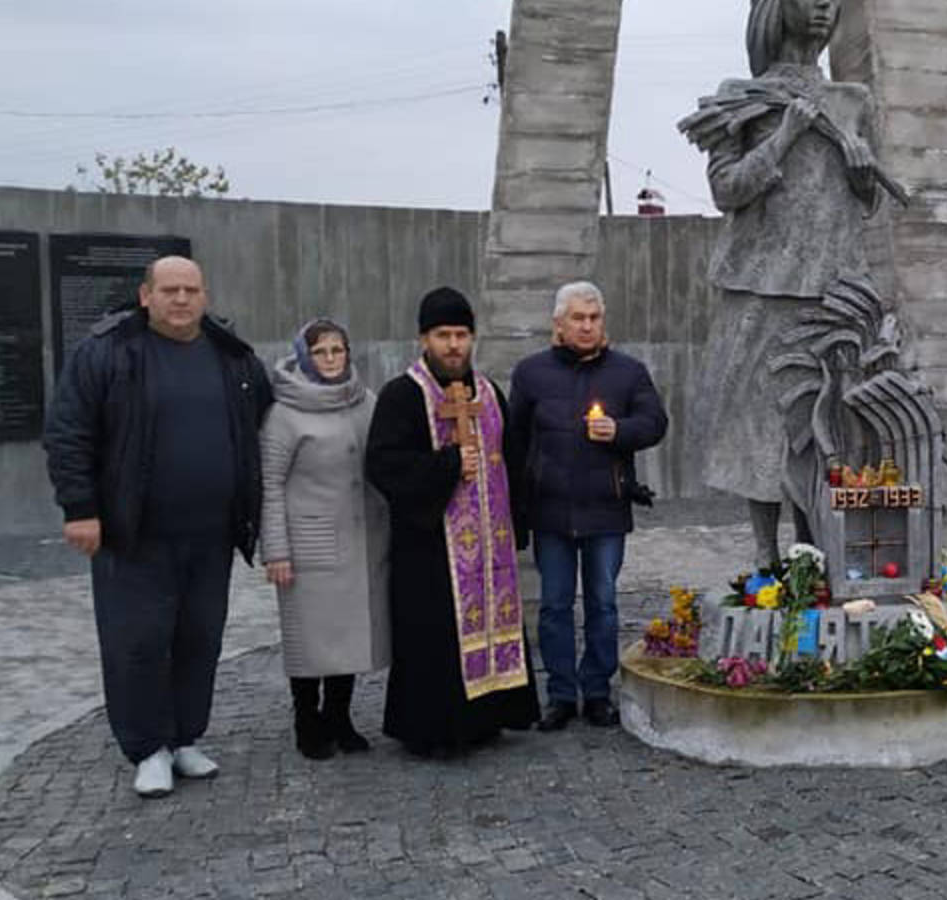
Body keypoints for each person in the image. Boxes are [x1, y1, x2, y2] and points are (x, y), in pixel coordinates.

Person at [42, 256, 272, 798]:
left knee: (200, 639)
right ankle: (147, 748)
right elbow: (68, 433)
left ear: (205, 295)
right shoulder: (107, 353)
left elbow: (264, 422)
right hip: (133, 534)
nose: (181, 300)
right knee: (137, 643)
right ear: (145, 295)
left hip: (211, 533)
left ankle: (186, 737)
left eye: (191, 289)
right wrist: (80, 509)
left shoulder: (230, 357)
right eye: (169, 289)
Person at [682, 0, 899, 565]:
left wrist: (859, 171)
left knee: (825, 423)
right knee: (761, 425)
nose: (824, 8)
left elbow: (869, 201)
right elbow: (727, 190)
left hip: (832, 287)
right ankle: (764, 555)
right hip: (762, 284)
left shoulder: (854, 101)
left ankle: (817, 549)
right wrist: (783, 136)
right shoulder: (742, 97)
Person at [365, 287, 540, 756]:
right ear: (424, 339)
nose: (454, 345)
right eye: (443, 335)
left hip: (490, 545)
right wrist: (446, 466)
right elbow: (383, 464)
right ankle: (435, 732)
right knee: (433, 639)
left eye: (462, 335)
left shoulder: (487, 393)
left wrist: (517, 522)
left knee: (492, 624)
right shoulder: (402, 395)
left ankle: (490, 717)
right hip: (429, 547)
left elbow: (511, 461)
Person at [507, 282, 669, 730]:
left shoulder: (628, 372)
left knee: (604, 602)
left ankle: (597, 691)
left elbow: (655, 422)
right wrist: (517, 507)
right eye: (577, 318)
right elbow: (515, 441)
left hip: (606, 508)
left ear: (604, 322)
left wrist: (619, 430)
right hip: (552, 511)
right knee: (555, 606)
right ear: (558, 324)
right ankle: (560, 694)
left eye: (594, 318)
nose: (587, 326)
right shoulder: (531, 373)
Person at [259, 318, 390, 760]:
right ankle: (306, 718)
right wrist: (275, 550)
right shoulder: (284, 413)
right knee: (310, 638)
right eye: (321, 352)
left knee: (348, 634)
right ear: (304, 356)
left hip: (360, 538)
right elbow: (270, 483)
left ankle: (340, 715)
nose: (332, 359)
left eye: (338, 350)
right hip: (309, 542)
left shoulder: (363, 399)